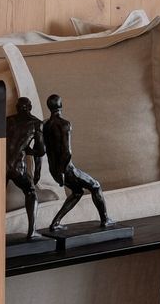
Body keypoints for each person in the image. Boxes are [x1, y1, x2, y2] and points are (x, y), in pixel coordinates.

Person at [42, 93, 115, 232]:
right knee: (95, 186)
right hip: (66, 169)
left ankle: (55, 222)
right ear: (61, 106)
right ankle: (105, 220)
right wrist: (63, 171)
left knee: (77, 192)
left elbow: (46, 148)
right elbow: (67, 152)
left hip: (54, 169)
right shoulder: (64, 124)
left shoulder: (45, 125)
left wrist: (57, 172)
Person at [5, 97, 45, 242]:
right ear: (30, 107)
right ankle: (32, 231)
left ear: (16, 107)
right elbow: (41, 151)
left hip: (1, 164)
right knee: (31, 191)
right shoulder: (36, 124)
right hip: (17, 166)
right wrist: (29, 151)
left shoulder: (8, 120)